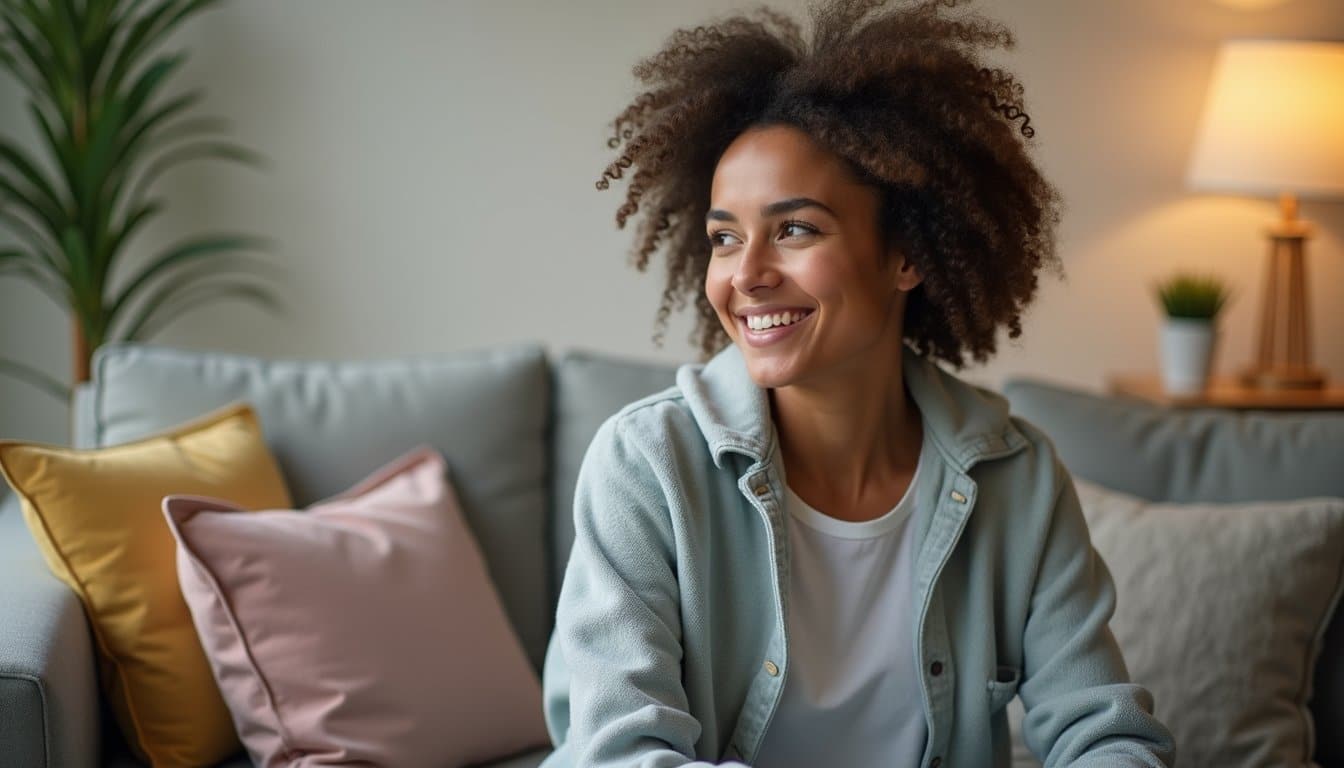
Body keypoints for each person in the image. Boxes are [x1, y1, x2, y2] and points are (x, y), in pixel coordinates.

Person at [539, 1, 1175, 766]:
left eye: (795, 229)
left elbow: (1104, 733)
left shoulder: (1019, 480)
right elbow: (622, 754)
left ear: (906, 255)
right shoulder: (646, 466)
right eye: (724, 238)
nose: (747, 275)